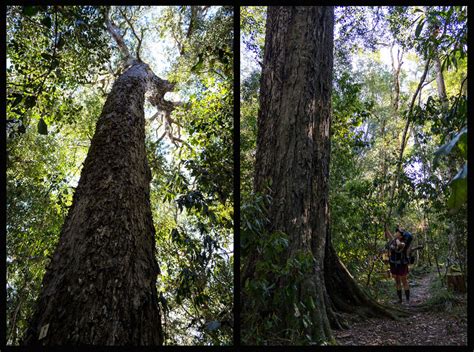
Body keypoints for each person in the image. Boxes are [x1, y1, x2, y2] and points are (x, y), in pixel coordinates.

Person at [385, 226, 411, 304]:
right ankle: (400, 300)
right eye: (396, 232)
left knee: (404, 280)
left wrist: (396, 239)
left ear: (401, 235)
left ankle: (407, 300)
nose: (395, 233)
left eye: (397, 232)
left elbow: (400, 246)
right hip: (393, 263)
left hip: (402, 264)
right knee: (397, 281)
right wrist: (385, 227)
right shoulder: (393, 240)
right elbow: (388, 234)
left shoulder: (403, 242)